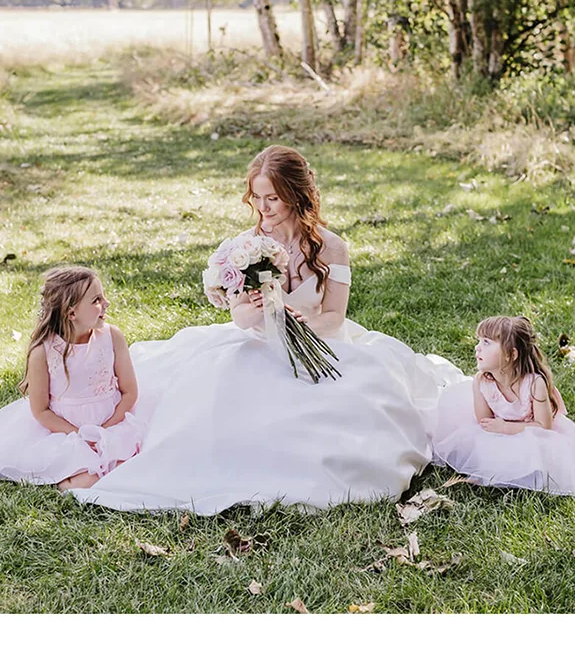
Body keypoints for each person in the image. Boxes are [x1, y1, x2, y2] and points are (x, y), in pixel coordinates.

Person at [69, 145, 463, 514]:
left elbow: (334, 316)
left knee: (358, 408)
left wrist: (311, 328)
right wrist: (256, 311)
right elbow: (238, 318)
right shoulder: (245, 247)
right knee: (222, 404)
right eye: (256, 198)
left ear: (296, 194)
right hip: (257, 344)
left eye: (271, 198)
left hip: (323, 345)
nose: (262, 207)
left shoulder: (333, 248)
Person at [0, 266, 145, 491]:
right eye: (96, 300)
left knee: (127, 468)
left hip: (113, 420)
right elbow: (41, 410)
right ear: (71, 313)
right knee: (89, 481)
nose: (106, 303)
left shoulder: (112, 337)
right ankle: (68, 477)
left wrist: (107, 429)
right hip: (64, 430)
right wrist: (79, 436)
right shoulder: (43, 352)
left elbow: (130, 391)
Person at [432, 316, 575, 508]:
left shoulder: (534, 384)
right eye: (478, 341)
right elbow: (483, 421)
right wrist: (498, 430)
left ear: (510, 354)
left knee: (540, 456)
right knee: (481, 444)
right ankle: (498, 471)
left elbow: (544, 426)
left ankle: (519, 473)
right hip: (499, 427)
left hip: (534, 431)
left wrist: (506, 428)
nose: (477, 347)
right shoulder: (482, 381)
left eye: (486, 342)